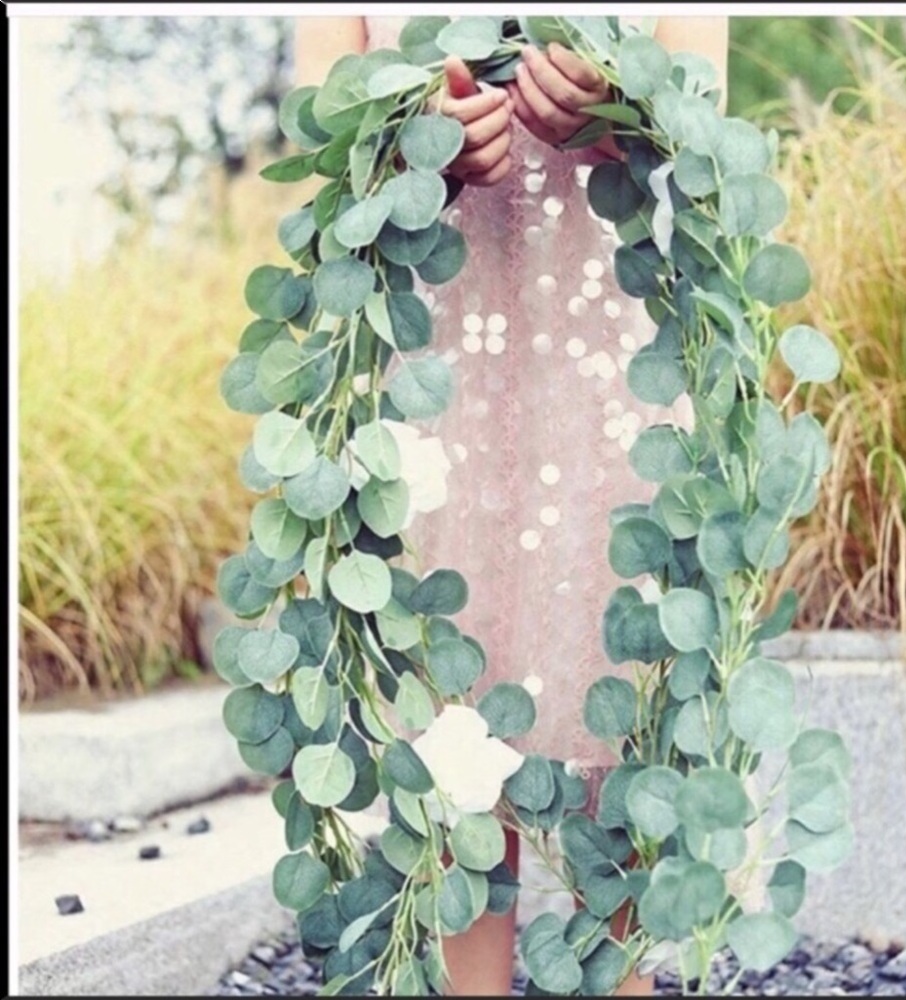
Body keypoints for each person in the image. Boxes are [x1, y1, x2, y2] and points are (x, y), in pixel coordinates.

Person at [294, 14, 729, 996]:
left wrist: (626, 108)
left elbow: (706, 113)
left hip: (612, 329)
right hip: (434, 328)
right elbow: (322, 124)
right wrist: (410, 142)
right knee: (451, 688)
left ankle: (619, 976)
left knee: (622, 681)